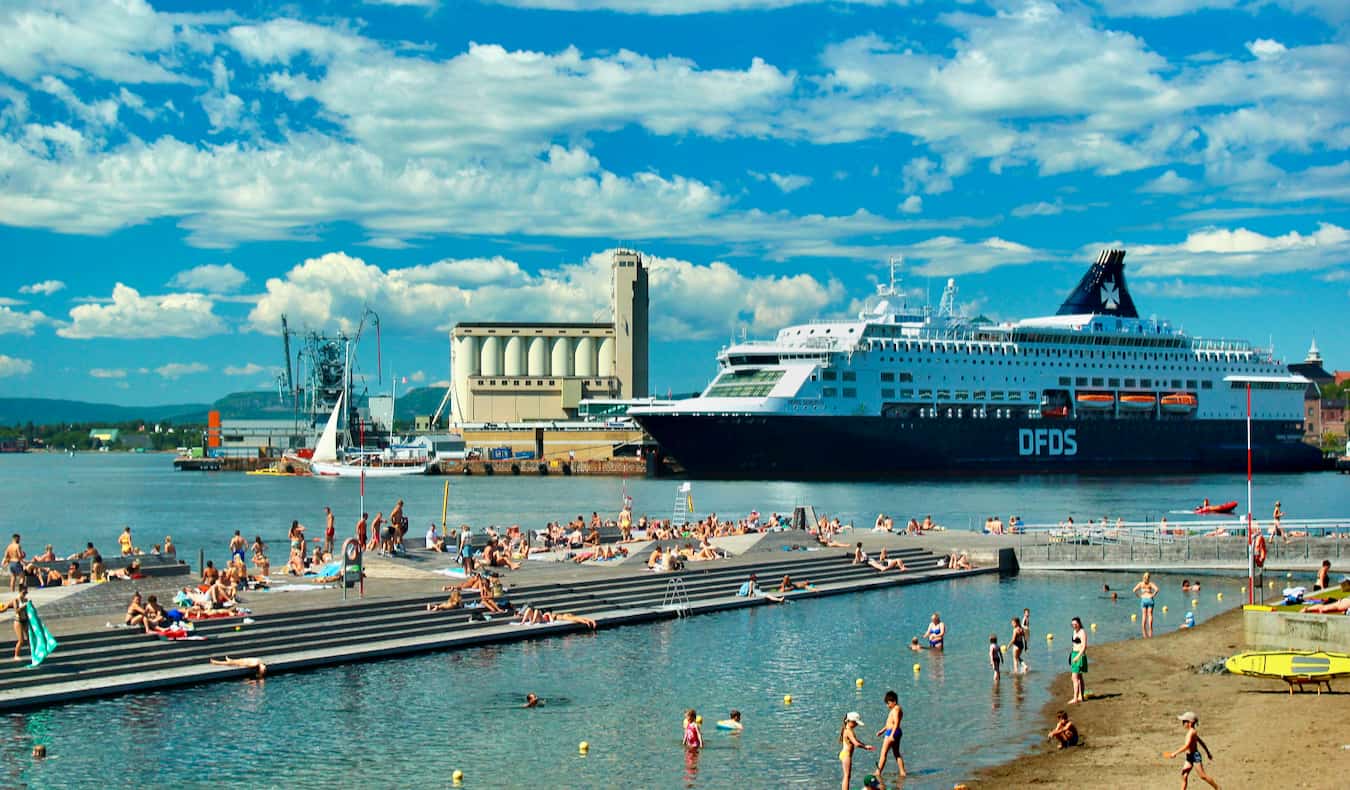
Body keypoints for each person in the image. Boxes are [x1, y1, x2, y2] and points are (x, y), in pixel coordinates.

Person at [1165, 712, 1219, 789]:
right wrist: (1208, 753)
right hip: (1189, 757)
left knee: (1202, 776)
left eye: (1184, 721)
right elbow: (1201, 742)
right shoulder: (1191, 732)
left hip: (1195, 756)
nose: (1183, 723)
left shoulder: (1192, 732)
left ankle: (1217, 788)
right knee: (1184, 776)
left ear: (1190, 723)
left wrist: (1175, 753)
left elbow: (1186, 746)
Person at [838, 711, 873, 790]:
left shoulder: (846, 728)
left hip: (844, 754)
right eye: (855, 723)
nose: (856, 725)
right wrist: (865, 747)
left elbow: (856, 740)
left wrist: (864, 744)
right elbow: (856, 743)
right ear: (850, 721)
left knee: (847, 775)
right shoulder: (849, 731)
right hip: (846, 755)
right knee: (847, 776)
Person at [875, 690, 906, 780]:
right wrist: (881, 731)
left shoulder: (896, 709)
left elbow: (896, 722)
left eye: (888, 703)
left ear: (894, 701)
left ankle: (878, 772)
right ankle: (902, 772)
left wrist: (891, 735)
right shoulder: (894, 709)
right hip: (894, 731)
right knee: (896, 753)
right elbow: (889, 723)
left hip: (892, 732)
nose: (887, 705)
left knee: (883, 753)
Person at [1, 584, 30, 660]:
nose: (26, 591)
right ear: (21, 591)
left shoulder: (26, 599)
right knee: (21, 640)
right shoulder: (16, 600)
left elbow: (27, 611)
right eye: (25, 590)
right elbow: (16, 610)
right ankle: (16, 655)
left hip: (25, 621)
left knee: (30, 638)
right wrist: (24, 606)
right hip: (18, 621)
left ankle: (33, 652)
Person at [1133, 572, 1159, 638]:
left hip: (1144, 599)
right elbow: (1157, 589)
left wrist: (1139, 596)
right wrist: (1153, 595)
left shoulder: (1141, 584)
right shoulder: (1150, 584)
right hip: (1150, 599)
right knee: (1150, 614)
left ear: (1143, 577)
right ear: (1149, 577)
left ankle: (1143, 630)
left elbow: (1134, 590)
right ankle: (1150, 629)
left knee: (1144, 615)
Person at [1068, 617, 1087, 704]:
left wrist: (1077, 657)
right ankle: (1081, 697)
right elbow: (1074, 644)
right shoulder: (1074, 631)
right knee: (1079, 677)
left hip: (1079, 655)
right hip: (1074, 654)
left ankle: (1075, 698)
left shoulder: (1082, 632)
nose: (1074, 626)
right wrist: (1072, 655)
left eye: (1075, 624)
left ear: (1079, 623)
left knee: (1074, 677)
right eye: (1073, 624)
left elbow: (1084, 647)